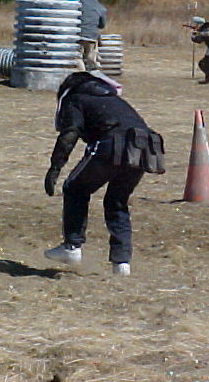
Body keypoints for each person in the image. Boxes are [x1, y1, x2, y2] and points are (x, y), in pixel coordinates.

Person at [43, 72, 165, 276]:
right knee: (117, 201)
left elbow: (70, 133)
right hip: (144, 147)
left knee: (74, 188)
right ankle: (122, 263)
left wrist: (55, 167)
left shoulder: (76, 98)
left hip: (112, 144)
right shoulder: (114, 100)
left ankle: (71, 247)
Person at [78, 0, 107, 71]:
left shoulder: (79, 3)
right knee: (90, 56)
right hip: (92, 37)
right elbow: (102, 25)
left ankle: (82, 74)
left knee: (78, 57)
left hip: (79, 35)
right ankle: (93, 69)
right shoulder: (101, 8)